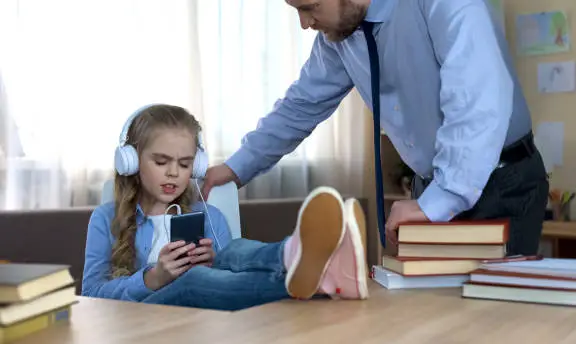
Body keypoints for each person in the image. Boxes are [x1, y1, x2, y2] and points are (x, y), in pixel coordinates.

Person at [201, 0, 549, 256]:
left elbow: (477, 99)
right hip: (433, 187)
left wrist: (440, 201)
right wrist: (235, 167)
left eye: (309, 7)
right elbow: (301, 105)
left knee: (497, 324)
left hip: (501, 182)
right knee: (432, 320)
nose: (305, 23)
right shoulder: (340, 36)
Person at [81, 104, 369, 311]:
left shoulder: (208, 215)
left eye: (184, 164)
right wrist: (153, 278)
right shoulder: (106, 218)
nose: (173, 173)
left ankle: (294, 253)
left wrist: (214, 262)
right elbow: (91, 294)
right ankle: (325, 276)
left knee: (232, 251)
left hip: (202, 317)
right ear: (130, 161)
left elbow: (234, 281)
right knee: (193, 279)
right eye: (161, 162)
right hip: (147, 320)